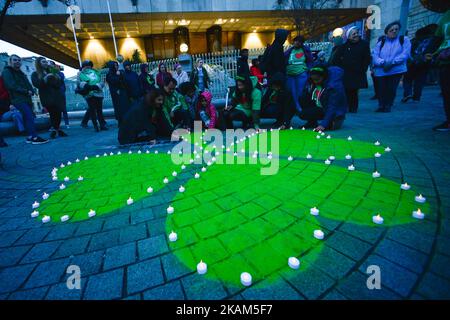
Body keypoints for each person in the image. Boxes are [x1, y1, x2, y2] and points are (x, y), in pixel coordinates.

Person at [1, 54, 48, 144]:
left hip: (27, 98)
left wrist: (32, 90)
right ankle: (34, 137)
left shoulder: (20, 72)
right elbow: (11, 85)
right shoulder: (7, 71)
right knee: (29, 116)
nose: (17, 62)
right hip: (17, 99)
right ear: (10, 61)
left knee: (27, 117)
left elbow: (28, 84)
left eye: (19, 60)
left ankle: (30, 136)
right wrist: (26, 91)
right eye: (15, 60)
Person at [372, 21, 411, 113]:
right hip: (382, 70)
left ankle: (388, 105)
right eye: (391, 30)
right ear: (387, 32)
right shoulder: (381, 42)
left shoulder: (404, 40)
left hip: (396, 70)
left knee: (391, 89)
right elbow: (375, 55)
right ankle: (381, 105)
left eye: (396, 29)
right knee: (381, 89)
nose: (394, 31)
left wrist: (392, 62)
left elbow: (405, 54)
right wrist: (382, 63)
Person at [329, 27, 371, 113]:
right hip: (346, 72)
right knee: (347, 90)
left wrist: (364, 68)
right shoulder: (344, 46)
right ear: (349, 36)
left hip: (358, 72)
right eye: (353, 34)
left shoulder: (364, 44)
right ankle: (347, 106)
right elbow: (336, 59)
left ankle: (353, 108)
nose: (356, 35)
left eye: (356, 33)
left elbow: (367, 58)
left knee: (354, 91)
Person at [298, 65, 347, 131]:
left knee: (329, 126)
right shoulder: (311, 81)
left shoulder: (333, 87)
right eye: (313, 79)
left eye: (317, 79)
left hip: (334, 111)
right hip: (321, 106)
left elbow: (332, 106)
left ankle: (334, 120)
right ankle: (312, 122)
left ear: (324, 77)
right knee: (303, 105)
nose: (315, 81)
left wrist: (323, 125)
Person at [31, 57, 67, 139]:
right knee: (53, 113)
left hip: (57, 96)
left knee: (58, 113)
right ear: (39, 63)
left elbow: (58, 84)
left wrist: (57, 76)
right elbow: (37, 85)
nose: (46, 63)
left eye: (46, 62)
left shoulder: (51, 72)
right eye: (43, 62)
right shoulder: (35, 74)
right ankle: (56, 129)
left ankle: (56, 129)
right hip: (47, 97)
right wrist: (46, 78)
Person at [427, 9, 450, 131]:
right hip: (445, 60)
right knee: (446, 93)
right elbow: (437, 38)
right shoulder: (446, 15)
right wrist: (428, 52)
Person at [402, 25, 437, 103]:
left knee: (407, 79)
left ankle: (407, 94)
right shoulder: (432, 42)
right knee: (419, 81)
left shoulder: (413, 41)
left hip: (412, 63)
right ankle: (416, 98)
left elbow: (408, 52)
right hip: (425, 64)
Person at [284, 35, 313, 112]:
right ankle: (297, 106)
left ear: (302, 43)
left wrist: (308, 70)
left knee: (299, 92)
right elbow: (284, 60)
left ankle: (298, 106)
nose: (297, 43)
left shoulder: (305, 50)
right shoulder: (289, 51)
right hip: (290, 74)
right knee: (292, 91)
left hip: (301, 73)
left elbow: (310, 60)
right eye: (296, 41)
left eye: (299, 41)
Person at [77, 60, 108, 132]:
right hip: (89, 95)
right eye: (86, 65)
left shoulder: (97, 73)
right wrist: (87, 86)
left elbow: (102, 82)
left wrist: (97, 86)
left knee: (99, 111)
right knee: (92, 111)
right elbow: (79, 83)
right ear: (83, 66)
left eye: (89, 65)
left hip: (98, 94)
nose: (88, 67)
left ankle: (102, 125)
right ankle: (95, 126)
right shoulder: (80, 74)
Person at [106, 60, 130, 125]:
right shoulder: (109, 74)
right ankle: (120, 121)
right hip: (116, 94)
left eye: (117, 65)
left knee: (124, 106)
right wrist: (119, 76)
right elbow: (114, 82)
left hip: (122, 92)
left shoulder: (119, 72)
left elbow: (123, 81)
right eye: (115, 66)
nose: (116, 67)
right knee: (118, 107)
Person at [49, 61, 69, 128]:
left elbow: (60, 79)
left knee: (64, 108)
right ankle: (56, 125)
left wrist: (54, 72)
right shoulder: (48, 73)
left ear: (54, 66)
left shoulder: (60, 73)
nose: (49, 66)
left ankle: (67, 123)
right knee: (55, 110)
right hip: (52, 94)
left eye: (51, 64)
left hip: (61, 92)